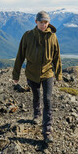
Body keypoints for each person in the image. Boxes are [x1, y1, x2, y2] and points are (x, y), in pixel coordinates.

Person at [12, 11, 62, 144]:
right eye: (41, 22)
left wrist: (58, 74)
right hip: (32, 73)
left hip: (47, 73)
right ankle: (36, 113)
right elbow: (20, 55)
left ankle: (47, 131)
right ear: (36, 22)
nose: (43, 25)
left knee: (47, 99)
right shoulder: (28, 36)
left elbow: (57, 57)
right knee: (36, 95)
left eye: (46, 22)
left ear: (48, 23)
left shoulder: (53, 37)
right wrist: (15, 75)